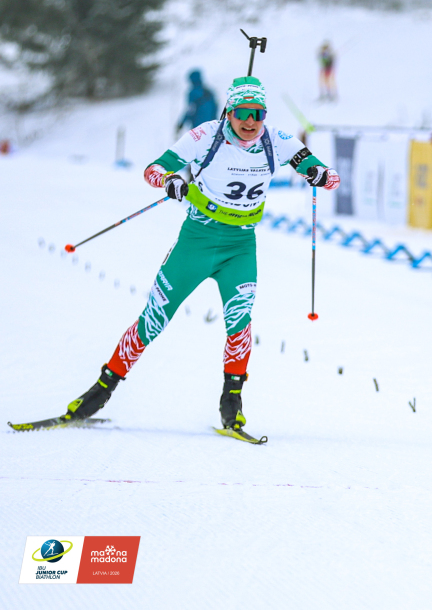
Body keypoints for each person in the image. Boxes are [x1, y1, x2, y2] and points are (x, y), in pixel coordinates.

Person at [61, 76, 341, 435]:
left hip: (240, 247)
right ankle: (98, 393)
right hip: (196, 242)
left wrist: (319, 174)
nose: (251, 121)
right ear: (229, 112)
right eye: (243, 113)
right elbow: (154, 169)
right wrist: (170, 181)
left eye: (258, 113)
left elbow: (326, 174)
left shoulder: (278, 140)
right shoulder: (205, 136)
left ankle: (231, 405)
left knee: (240, 324)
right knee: (154, 319)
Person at [178, 69, 218, 135]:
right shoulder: (208, 92)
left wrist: (181, 123)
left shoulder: (193, 93)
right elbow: (215, 107)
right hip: (210, 126)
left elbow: (190, 111)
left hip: (197, 127)